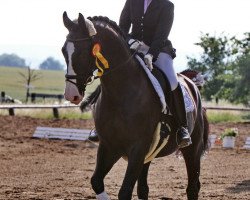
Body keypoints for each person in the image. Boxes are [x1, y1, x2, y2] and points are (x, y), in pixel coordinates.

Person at [89, 0, 192, 148]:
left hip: (159, 50)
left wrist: (151, 54)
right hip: (133, 47)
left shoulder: (166, 5)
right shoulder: (132, 1)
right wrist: (130, 40)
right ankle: (100, 126)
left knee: (172, 80)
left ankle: (182, 127)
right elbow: (122, 27)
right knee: (112, 74)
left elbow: (162, 34)